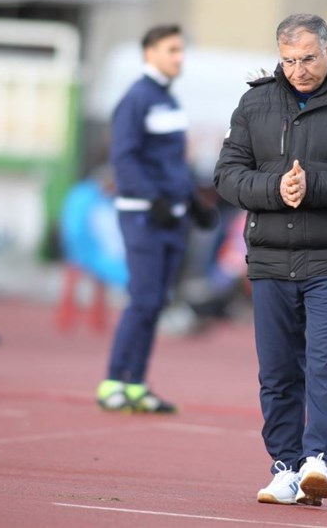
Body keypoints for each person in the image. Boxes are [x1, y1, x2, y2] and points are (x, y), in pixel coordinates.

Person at [214, 14, 327, 506]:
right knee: (276, 373)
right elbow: (227, 175)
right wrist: (276, 188)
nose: (298, 71)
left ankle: (318, 459)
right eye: (289, 60)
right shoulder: (254, 103)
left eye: (308, 59)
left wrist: (312, 185)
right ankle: (285, 466)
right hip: (271, 259)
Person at [96, 24, 211, 413]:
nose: (179, 57)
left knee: (157, 302)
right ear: (149, 53)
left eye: (181, 50)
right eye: (171, 50)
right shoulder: (136, 98)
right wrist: (152, 198)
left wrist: (193, 202)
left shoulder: (168, 100)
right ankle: (113, 382)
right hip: (143, 216)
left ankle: (136, 385)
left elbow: (173, 163)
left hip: (172, 217)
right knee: (143, 299)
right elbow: (123, 158)